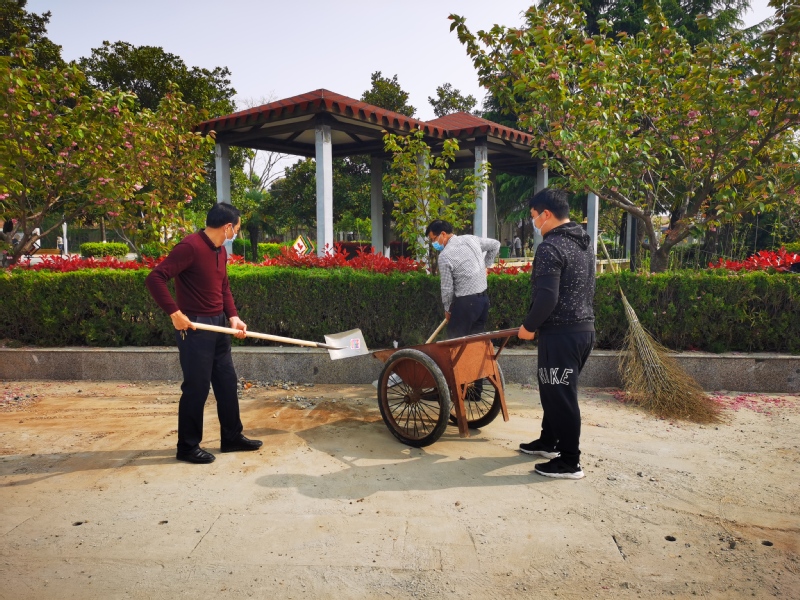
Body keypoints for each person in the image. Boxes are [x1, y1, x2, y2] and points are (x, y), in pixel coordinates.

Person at [145, 203, 262, 464]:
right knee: (196, 388)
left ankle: (232, 437)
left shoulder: (220, 250)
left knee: (227, 383)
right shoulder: (190, 247)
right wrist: (175, 313)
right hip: (195, 328)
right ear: (228, 226)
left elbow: (223, 287)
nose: (237, 233)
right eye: (237, 228)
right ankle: (187, 447)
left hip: (218, 326)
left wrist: (233, 317)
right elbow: (155, 278)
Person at [517, 188, 595, 480]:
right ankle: (548, 441)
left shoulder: (550, 247)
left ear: (546, 214)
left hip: (561, 334)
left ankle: (570, 462)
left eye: (534, 216)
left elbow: (547, 297)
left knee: (560, 396)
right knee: (555, 390)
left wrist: (529, 326)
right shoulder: (583, 242)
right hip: (583, 331)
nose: (533, 222)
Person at [425, 219, 500, 339]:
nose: (434, 243)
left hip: (466, 304)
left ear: (443, 234)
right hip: (483, 302)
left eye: (434, 239)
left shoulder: (445, 256)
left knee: (455, 343)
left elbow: (447, 288)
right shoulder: (471, 239)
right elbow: (495, 244)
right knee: (475, 343)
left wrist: (448, 309)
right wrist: (485, 266)